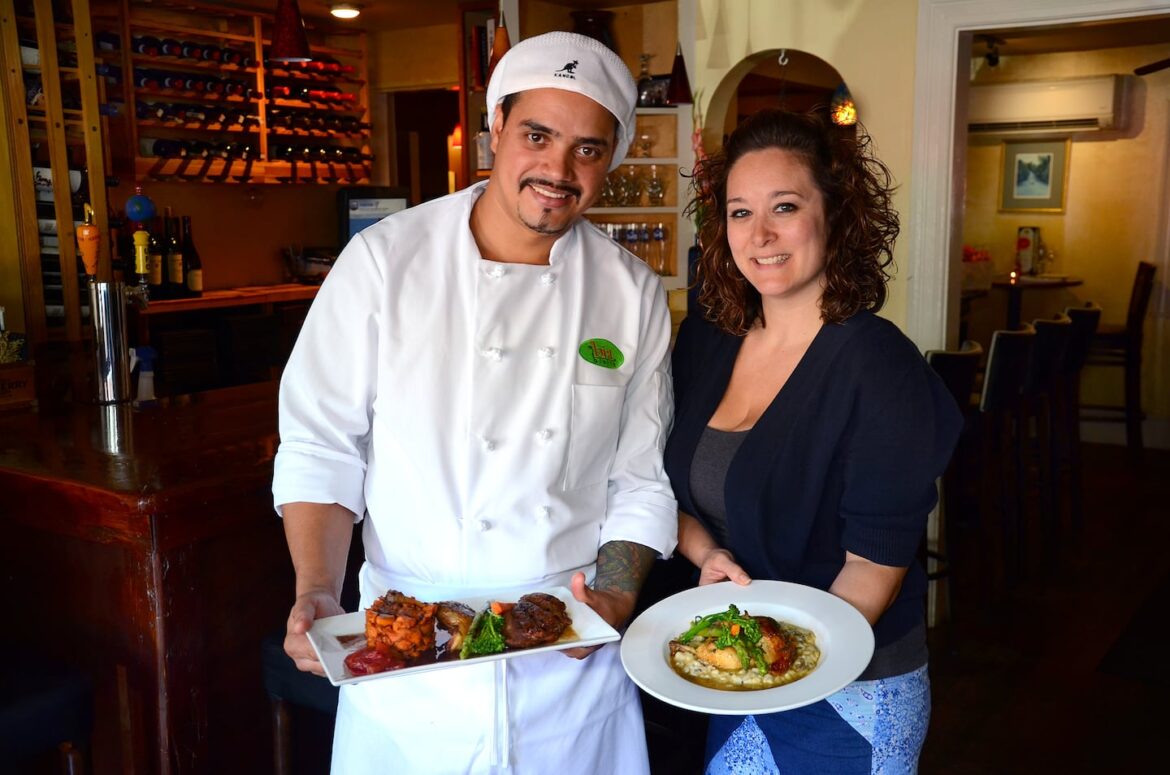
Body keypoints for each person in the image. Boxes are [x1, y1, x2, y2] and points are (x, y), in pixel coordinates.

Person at [272, 32, 678, 775]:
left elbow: (639, 476)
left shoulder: (631, 293)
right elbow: (322, 447)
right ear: (495, 129)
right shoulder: (385, 262)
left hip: (568, 658)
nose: (558, 170)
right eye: (537, 135)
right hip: (407, 649)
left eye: (588, 149)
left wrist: (613, 601)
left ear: (612, 160)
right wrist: (317, 590)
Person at [665, 109, 963, 773]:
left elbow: (872, 568)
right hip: (739, 664)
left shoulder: (879, 367)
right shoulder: (709, 340)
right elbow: (673, 491)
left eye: (786, 206)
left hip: (852, 688)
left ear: (836, 215)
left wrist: (771, 660)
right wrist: (706, 551)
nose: (761, 234)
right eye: (740, 212)